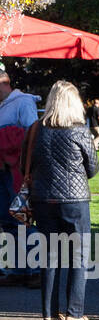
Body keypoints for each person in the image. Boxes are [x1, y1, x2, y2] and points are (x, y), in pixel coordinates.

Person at [26, 81, 99, 320]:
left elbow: (30, 162)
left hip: (43, 199)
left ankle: (49, 313)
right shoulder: (80, 131)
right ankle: (75, 313)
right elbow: (93, 168)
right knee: (78, 257)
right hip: (74, 201)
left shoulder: (37, 130)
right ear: (74, 103)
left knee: (49, 256)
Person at [0, 70, 41, 287]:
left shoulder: (23, 102)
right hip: (4, 172)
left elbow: (32, 135)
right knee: (8, 221)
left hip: (17, 172)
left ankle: (34, 269)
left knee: (22, 219)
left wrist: (26, 170)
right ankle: (18, 268)